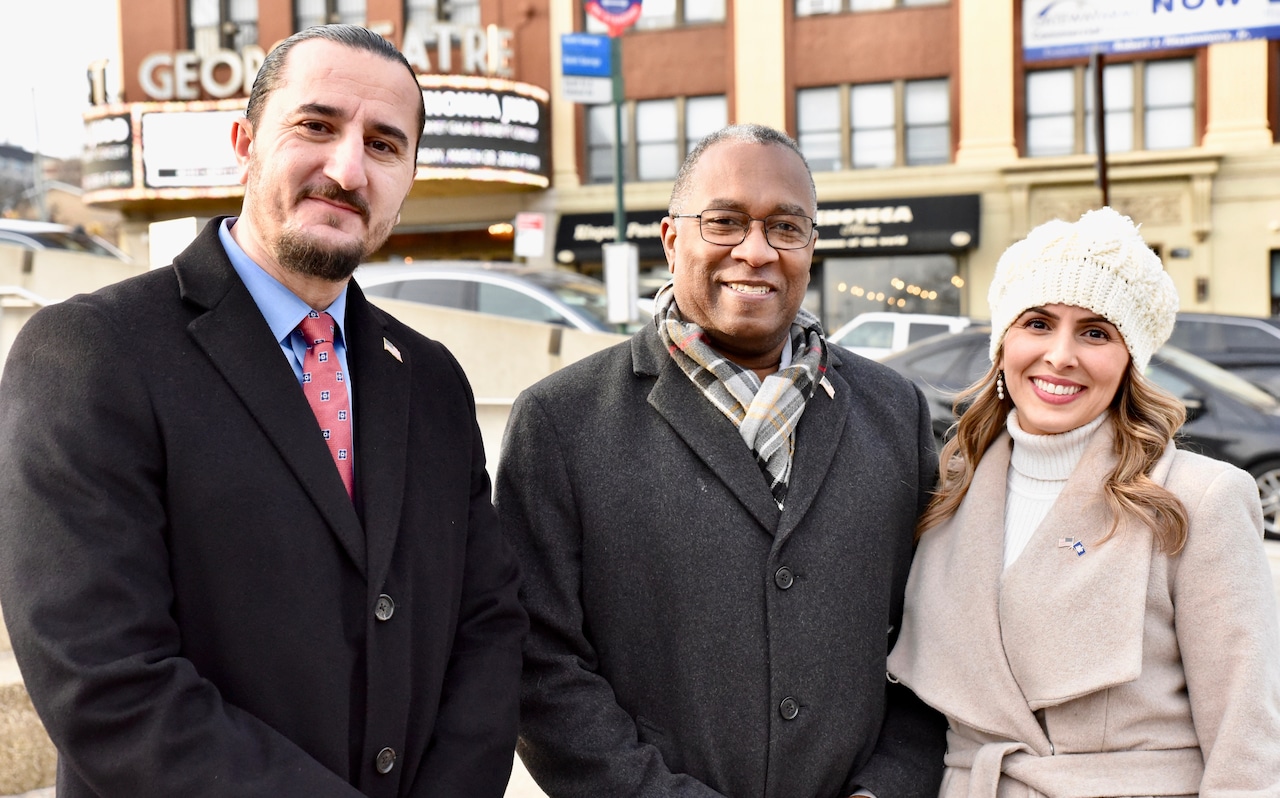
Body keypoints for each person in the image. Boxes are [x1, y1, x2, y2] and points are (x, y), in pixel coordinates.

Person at [0, 25, 526, 798]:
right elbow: (104, 678)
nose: (347, 168)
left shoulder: (432, 380)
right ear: (244, 141)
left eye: (384, 145)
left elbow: (487, 628)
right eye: (315, 126)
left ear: (409, 175)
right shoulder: (90, 353)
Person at [495, 123, 946, 798]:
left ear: (810, 247)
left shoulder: (895, 413)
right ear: (672, 240)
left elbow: (934, 641)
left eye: (786, 228)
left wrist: (888, 788)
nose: (756, 251)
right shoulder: (561, 423)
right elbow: (540, 665)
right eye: (725, 222)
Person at [887, 207, 1280, 795]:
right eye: (1038, 324)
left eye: (1095, 332)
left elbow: (1246, 740)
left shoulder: (1200, 498)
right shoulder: (950, 490)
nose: (1060, 355)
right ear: (1002, 344)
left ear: (1130, 363)